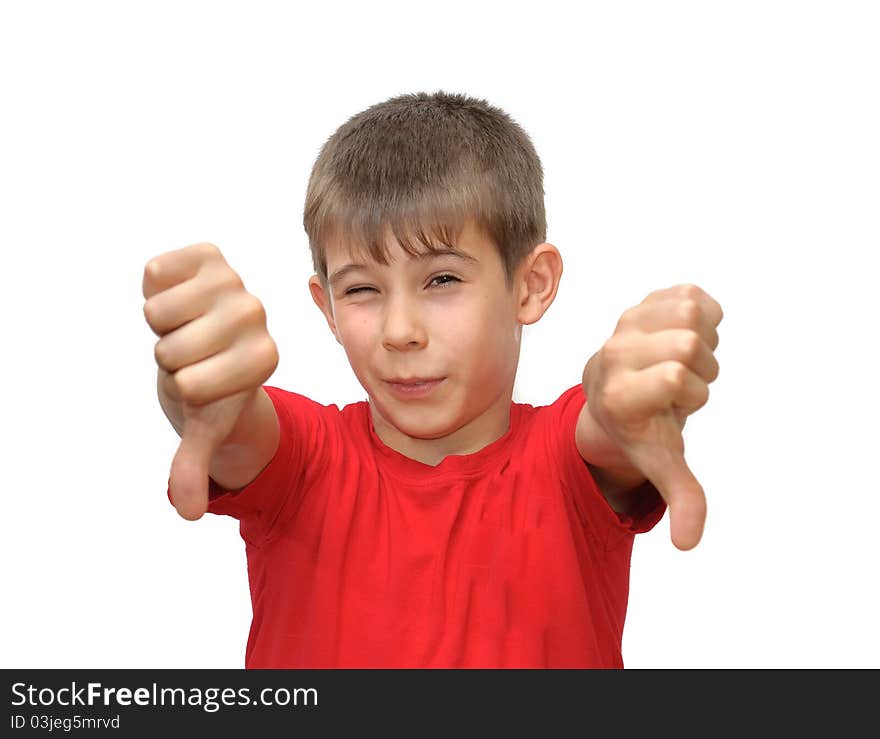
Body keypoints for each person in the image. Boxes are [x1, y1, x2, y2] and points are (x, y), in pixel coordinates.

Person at [142, 90, 723, 668]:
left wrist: (626, 398)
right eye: (361, 289)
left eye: (442, 280)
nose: (399, 330)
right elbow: (241, 424)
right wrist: (197, 380)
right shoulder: (303, 459)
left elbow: (605, 429)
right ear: (327, 311)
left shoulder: (567, 458)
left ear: (532, 285)